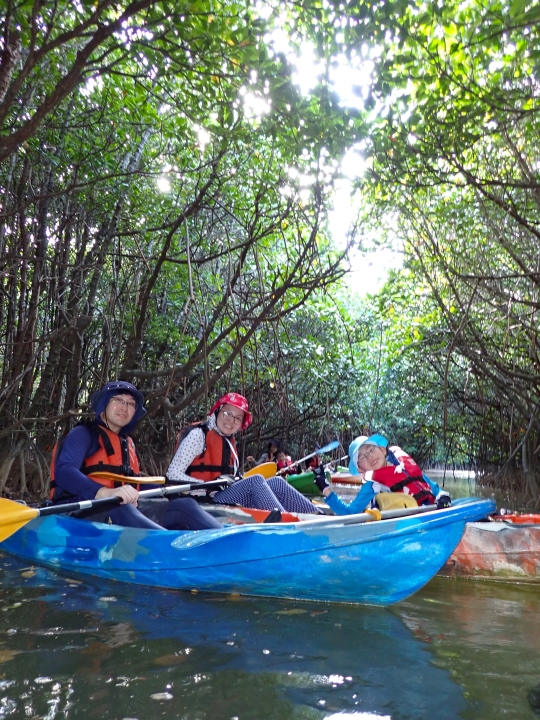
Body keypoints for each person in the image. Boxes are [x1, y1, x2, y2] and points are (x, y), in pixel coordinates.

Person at [51, 380, 222, 530]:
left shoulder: (127, 442)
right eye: (118, 400)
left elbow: (134, 484)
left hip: (123, 508)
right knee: (121, 507)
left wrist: (169, 492)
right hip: (79, 510)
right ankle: (166, 549)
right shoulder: (83, 433)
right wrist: (105, 492)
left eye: (131, 404)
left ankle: (226, 541)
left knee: (184, 506)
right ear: (104, 403)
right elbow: (64, 472)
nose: (124, 407)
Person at [167, 393, 318, 514]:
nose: (231, 421)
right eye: (228, 414)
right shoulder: (198, 435)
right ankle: (285, 522)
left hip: (221, 494)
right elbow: (172, 474)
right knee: (256, 480)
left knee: (277, 482)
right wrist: (205, 485)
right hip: (200, 498)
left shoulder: (228, 442)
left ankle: (316, 515)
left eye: (238, 418)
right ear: (217, 411)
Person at [313, 433, 451, 515]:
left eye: (371, 450)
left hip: (430, 510)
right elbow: (349, 512)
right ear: (361, 469)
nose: (369, 456)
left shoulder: (405, 467)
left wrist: (442, 496)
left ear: (383, 450)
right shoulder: (373, 485)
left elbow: (433, 487)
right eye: (362, 457)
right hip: (405, 524)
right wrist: (325, 489)